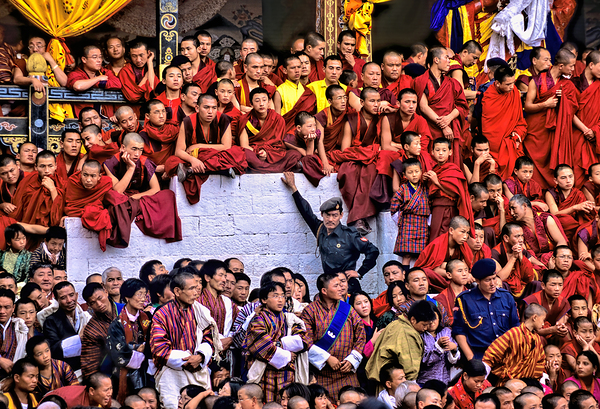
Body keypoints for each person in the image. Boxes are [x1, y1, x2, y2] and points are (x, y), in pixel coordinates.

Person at [282, 172, 379, 279]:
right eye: (327, 215)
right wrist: (293, 188)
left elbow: (373, 251)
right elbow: (306, 212)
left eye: (334, 215)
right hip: (329, 285)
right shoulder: (320, 229)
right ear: (322, 215)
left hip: (347, 286)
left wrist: (360, 272)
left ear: (341, 215)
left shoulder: (349, 235)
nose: (330, 219)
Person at [150, 272, 221, 409]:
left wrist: (200, 357)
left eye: (197, 288)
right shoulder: (162, 314)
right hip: (172, 374)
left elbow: (208, 337)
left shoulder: (200, 310)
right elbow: (159, 349)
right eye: (191, 288)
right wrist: (189, 360)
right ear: (177, 291)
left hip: (198, 370)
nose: (196, 292)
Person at [104, 133, 182, 246]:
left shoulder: (145, 162)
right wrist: (131, 168)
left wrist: (133, 197)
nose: (137, 154)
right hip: (119, 198)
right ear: (123, 148)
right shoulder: (110, 162)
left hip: (136, 197)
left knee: (168, 195)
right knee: (113, 198)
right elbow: (117, 192)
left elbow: (155, 189)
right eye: (134, 149)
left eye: (140, 150)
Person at [170, 93, 246, 204]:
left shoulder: (223, 119)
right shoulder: (187, 121)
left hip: (216, 155)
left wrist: (198, 146)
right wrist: (193, 160)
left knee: (238, 153)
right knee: (172, 161)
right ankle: (222, 169)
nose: (210, 111)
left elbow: (226, 146)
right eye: (206, 107)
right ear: (197, 108)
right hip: (200, 158)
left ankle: (191, 171)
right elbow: (178, 151)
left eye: (214, 108)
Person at [300, 273, 365, 398]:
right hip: (322, 374)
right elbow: (305, 339)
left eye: (341, 285)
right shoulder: (310, 311)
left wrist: (352, 360)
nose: (341, 288)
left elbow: (360, 335)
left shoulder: (347, 309)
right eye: (336, 285)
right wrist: (327, 358)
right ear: (324, 290)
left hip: (347, 373)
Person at [523, 49, 579, 189]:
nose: (573, 69)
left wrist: (563, 100)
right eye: (571, 66)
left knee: (552, 163)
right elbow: (528, 106)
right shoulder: (536, 81)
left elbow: (573, 110)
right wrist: (545, 104)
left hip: (555, 132)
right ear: (561, 66)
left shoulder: (567, 85)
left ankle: (552, 194)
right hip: (537, 131)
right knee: (534, 164)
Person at [244, 282, 309, 401]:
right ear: (264, 299)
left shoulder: (289, 318)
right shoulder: (258, 319)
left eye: (283, 296)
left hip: (287, 376)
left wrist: (279, 344)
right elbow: (264, 347)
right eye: (275, 296)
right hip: (264, 375)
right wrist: (288, 354)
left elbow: (304, 341)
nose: (280, 300)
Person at [333, 87, 381, 228]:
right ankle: (359, 219)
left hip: (371, 159)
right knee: (347, 171)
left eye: (378, 101)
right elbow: (345, 150)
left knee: (371, 171)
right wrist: (366, 152)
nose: (376, 104)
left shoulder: (382, 119)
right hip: (355, 157)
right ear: (362, 102)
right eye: (372, 101)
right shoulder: (352, 120)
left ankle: (357, 219)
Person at [453, 259, 520, 360]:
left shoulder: (506, 297)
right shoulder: (465, 300)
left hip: (505, 354)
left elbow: (515, 327)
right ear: (477, 281)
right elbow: (459, 331)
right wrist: (471, 358)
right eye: (488, 280)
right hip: (479, 355)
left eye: (494, 278)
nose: (493, 283)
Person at [414, 47, 469, 167]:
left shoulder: (452, 83)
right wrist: (443, 125)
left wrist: (449, 118)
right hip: (430, 128)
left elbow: (461, 106)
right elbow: (423, 107)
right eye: (446, 58)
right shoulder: (421, 80)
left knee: (451, 162)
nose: (449, 61)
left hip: (450, 128)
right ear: (436, 60)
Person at [367, 300, 436, 382]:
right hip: (396, 384)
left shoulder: (395, 324)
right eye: (424, 325)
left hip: (386, 379)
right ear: (413, 320)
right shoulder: (408, 334)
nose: (425, 329)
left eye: (428, 325)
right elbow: (410, 369)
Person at [239, 87, 302, 173]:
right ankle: (277, 169)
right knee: (245, 153)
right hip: (255, 153)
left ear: (269, 102)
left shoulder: (278, 119)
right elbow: (244, 145)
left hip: (274, 155)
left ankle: (260, 169)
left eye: (264, 100)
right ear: (251, 104)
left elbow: (279, 143)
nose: (261, 104)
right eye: (257, 101)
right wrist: (258, 152)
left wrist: (267, 152)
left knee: (295, 154)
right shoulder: (245, 120)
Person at [479, 66, 526, 180]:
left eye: (513, 83)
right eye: (508, 84)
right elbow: (489, 130)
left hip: (512, 142)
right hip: (495, 147)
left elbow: (519, 119)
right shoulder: (488, 97)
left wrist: (517, 135)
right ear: (498, 83)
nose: (512, 87)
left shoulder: (514, 92)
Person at [482, 303, 546, 384]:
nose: (543, 324)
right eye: (543, 320)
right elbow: (492, 353)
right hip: (508, 383)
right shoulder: (513, 333)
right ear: (535, 317)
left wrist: (533, 380)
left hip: (527, 384)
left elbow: (540, 362)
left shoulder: (537, 339)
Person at [424, 138, 473, 242]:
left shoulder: (453, 170)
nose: (440, 153)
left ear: (450, 152)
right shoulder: (434, 170)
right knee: (435, 238)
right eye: (437, 150)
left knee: (445, 237)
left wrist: (437, 182)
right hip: (436, 208)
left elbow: (455, 194)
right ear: (432, 152)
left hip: (448, 209)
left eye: (444, 150)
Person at [42, 281, 91, 375]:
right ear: (56, 300)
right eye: (63, 298)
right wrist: (78, 339)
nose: (69, 300)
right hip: (66, 372)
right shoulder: (51, 321)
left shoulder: (85, 316)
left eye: (71, 295)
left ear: (76, 295)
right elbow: (53, 350)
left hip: (88, 367)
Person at [414, 215, 473, 292]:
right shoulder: (438, 244)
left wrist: (447, 266)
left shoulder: (463, 246)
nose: (465, 236)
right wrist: (456, 275)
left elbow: (466, 265)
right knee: (426, 272)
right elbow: (434, 270)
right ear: (451, 230)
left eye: (467, 233)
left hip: (455, 276)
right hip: (441, 278)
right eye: (462, 232)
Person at [10, 150, 64, 233]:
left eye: (50, 166)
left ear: (56, 166)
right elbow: (17, 210)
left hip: (53, 235)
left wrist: (53, 189)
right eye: (42, 166)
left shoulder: (63, 184)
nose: (47, 170)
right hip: (28, 231)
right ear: (36, 167)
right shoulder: (27, 182)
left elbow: (59, 216)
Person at [64, 160, 113, 251]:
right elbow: (70, 207)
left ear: (99, 177)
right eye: (85, 175)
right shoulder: (73, 181)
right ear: (80, 173)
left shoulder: (106, 182)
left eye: (93, 176)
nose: (88, 180)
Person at [390, 158, 430, 265]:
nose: (414, 175)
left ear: (421, 172)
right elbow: (394, 205)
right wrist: (400, 219)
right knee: (406, 254)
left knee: (422, 254)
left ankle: (418, 275)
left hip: (422, 224)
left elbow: (429, 204)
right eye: (410, 172)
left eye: (417, 172)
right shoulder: (403, 189)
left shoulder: (425, 189)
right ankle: (405, 277)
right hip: (407, 223)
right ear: (404, 175)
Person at [508, 194, 568, 265]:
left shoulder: (546, 219)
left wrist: (553, 259)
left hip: (553, 259)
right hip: (535, 263)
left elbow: (562, 242)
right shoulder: (517, 228)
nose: (511, 213)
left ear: (524, 206)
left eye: (513, 208)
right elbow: (524, 253)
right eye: (510, 209)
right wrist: (541, 265)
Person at [80, 282, 123, 379]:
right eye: (93, 303)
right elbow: (89, 366)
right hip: (110, 374)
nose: (99, 304)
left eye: (100, 298)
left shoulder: (124, 310)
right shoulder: (92, 329)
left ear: (106, 292)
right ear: (89, 305)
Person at [66, 45, 121, 116]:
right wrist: (97, 78)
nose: (99, 60)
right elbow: (78, 86)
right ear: (84, 59)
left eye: (100, 57)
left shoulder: (105, 72)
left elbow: (118, 84)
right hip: (86, 118)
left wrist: (96, 84)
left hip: (105, 117)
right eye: (94, 57)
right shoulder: (75, 74)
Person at [546, 164, 595, 244]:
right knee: (565, 220)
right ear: (556, 180)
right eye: (563, 178)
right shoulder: (550, 193)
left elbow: (586, 216)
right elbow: (554, 214)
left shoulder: (578, 193)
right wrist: (575, 207)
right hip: (561, 225)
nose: (568, 180)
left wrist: (588, 207)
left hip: (576, 224)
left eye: (570, 176)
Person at [573, 51, 600, 187]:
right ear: (591, 65)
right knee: (577, 172)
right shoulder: (573, 84)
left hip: (595, 137)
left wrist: (594, 131)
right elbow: (568, 112)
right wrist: (585, 130)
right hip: (577, 134)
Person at [198, 260, 238, 346]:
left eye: (225, 276)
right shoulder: (197, 301)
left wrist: (230, 338)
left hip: (225, 351)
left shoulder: (227, 301)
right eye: (220, 275)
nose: (224, 280)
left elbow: (239, 321)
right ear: (208, 278)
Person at [418, 304, 460, 385]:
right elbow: (425, 361)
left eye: (435, 318)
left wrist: (454, 350)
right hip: (425, 382)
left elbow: (453, 361)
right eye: (429, 319)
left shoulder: (446, 331)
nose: (432, 322)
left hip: (445, 381)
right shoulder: (420, 336)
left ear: (439, 318)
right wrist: (438, 347)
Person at [491, 223, 536, 298]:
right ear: (506, 238)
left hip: (522, 287)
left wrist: (521, 256)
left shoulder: (522, 251)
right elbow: (499, 278)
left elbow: (529, 277)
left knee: (536, 285)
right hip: (507, 289)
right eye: (517, 236)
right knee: (503, 285)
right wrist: (514, 258)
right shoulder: (496, 252)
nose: (521, 240)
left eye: (522, 236)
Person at [522, 270, 570, 338]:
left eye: (560, 285)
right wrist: (551, 330)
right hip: (533, 336)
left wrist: (561, 329)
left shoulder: (563, 302)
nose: (557, 289)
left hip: (553, 335)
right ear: (543, 285)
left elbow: (559, 324)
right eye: (553, 285)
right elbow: (528, 329)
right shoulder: (532, 301)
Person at [138, 99, 179, 169]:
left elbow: (180, 152)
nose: (161, 116)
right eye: (157, 112)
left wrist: (170, 168)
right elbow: (139, 159)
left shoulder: (174, 129)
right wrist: (155, 169)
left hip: (173, 169)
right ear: (147, 116)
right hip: (150, 173)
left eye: (163, 111)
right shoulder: (143, 135)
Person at [118, 41, 156, 107]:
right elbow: (133, 97)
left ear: (148, 53)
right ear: (129, 54)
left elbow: (153, 88)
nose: (138, 60)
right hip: (131, 110)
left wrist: (150, 62)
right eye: (134, 56)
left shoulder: (153, 69)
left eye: (141, 55)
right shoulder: (125, 71)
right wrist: (146, 76)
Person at [46, 372, 114, 408]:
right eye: (106, 390)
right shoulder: (74, 403)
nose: (110, 393)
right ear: (92, 391)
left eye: (111, 388)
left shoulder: (104, 398)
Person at [434, 259, 469, 326]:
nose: (464, 274)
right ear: (449, 275)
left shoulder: (473, 295)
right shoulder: (440, 299)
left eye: (466, 270)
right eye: (460, 271)